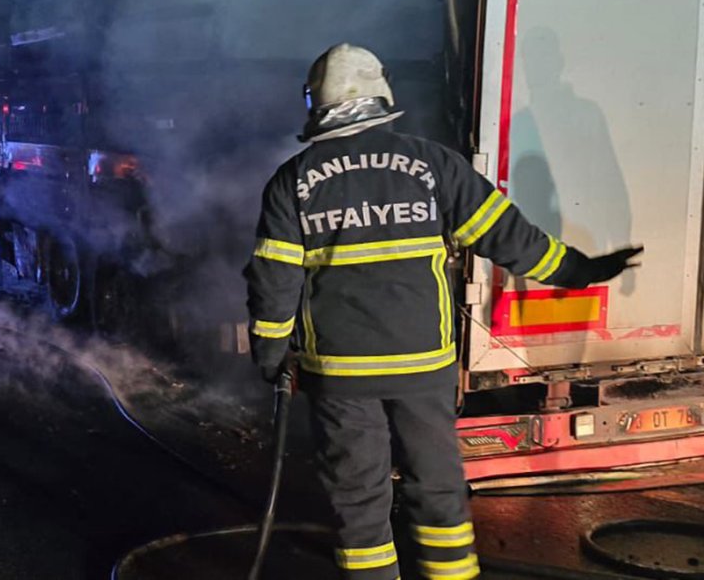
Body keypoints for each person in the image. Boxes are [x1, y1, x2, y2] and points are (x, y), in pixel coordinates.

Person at [243, 44, 641, 580]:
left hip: (340, 374)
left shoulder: (293, 181)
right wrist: (580, 270)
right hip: (423, 366)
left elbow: (274, 281)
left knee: (358, 502)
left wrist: (271, 357)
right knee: (437, 492)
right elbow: (511, 239)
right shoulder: (432, 165)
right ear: (381, 94)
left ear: (315, 103)